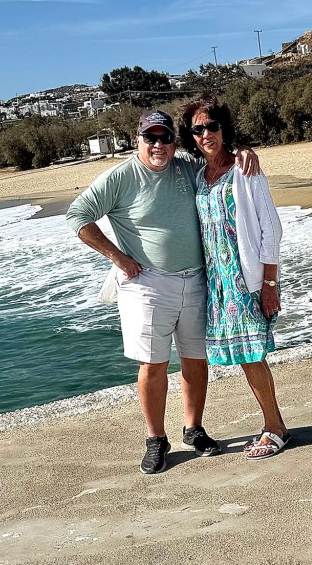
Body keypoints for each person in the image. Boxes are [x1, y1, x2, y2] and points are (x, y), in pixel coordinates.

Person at [66, 109, 258, 475]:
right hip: (147, 284)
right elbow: (78, 216)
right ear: (137, 140)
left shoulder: (186, 166)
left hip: (197, 279)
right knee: (153, 363)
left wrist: (245, 151)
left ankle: (193, 428)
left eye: (165, 137)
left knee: (195, 358)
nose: (158, 145)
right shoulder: (120, 176)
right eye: (150, 138)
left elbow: (218, 158)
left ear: (174, 141)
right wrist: (117, 257)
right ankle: (156, 439)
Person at [178, 94, 290, 461]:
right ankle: (273, 424)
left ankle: (275, 428)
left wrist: (269, 285)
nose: (206, 134)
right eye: (198, 130)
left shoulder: (244, 169)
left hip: (245, 281)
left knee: (251, 355)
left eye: (212, 126)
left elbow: (271, 229)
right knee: (245, 354)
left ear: (224, 129)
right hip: (217, 285)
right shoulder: (199, 176)